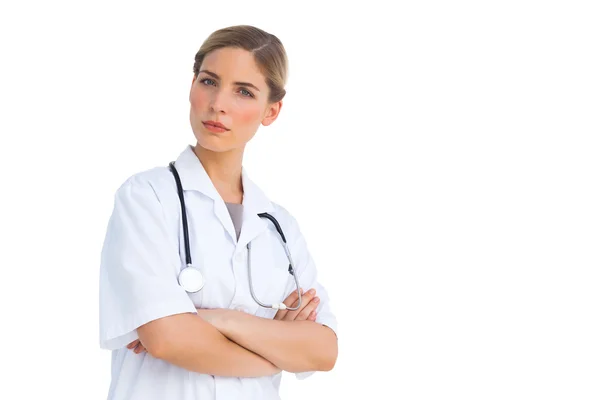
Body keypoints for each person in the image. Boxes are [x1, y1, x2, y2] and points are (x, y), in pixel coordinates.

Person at [98, 25, 338, 399]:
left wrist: (217, 319)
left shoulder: (279, 227)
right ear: (192, 85)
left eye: (244, 91)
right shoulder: (146, 198)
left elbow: (323, 350)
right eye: (209, 81)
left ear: (271, 111)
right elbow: (166, 340)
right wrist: (274, 355)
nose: (218, 103)